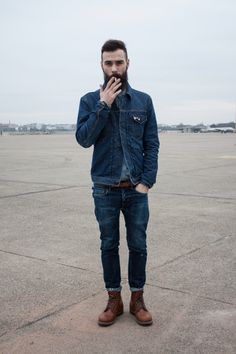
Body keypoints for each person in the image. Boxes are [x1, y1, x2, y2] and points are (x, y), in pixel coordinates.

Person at [75, 39, 159, 326]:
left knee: (138, 245)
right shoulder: (88, 101)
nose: (114, 68)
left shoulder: (143, 101)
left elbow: (152, 144)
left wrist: (146, 182)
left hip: (136, 190)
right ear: (101, 65)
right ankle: (114, 299)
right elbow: (84, 139)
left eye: (119, 62)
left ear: (127, 63)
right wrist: (103, 104)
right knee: (108, 245)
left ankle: (137, 299)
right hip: (105, 189)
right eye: (108, 62)